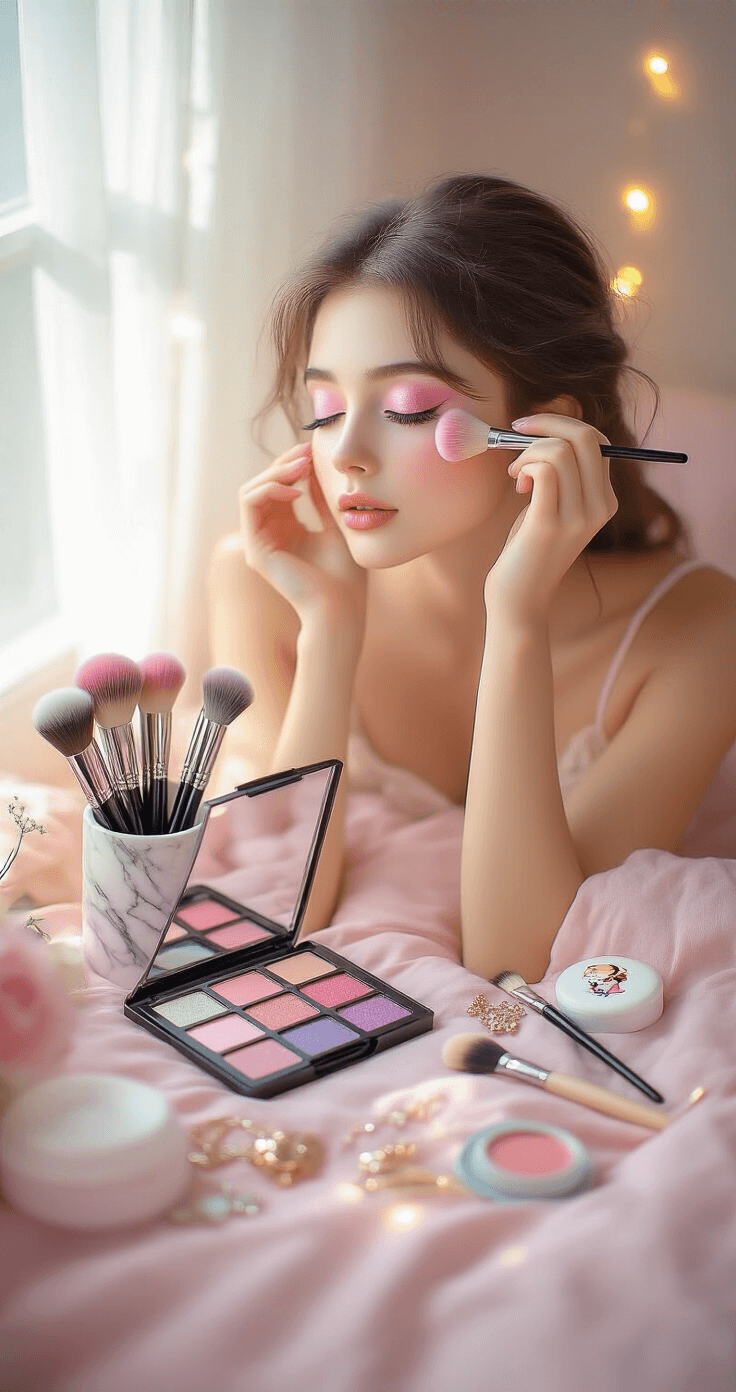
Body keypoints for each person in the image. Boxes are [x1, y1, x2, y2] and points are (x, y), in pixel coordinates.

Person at [211, 173, 736, 983]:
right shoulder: (263, 582)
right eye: (322, 409)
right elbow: (282, 908)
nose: (345, 450)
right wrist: (329, 632)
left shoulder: (700, 632)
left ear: (549, 428)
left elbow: (519, 956)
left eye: (410, 408)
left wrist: (516, 616)